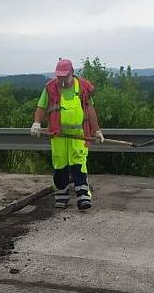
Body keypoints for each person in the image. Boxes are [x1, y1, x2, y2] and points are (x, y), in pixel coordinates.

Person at [30, 59, 103, 209]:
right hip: (59, 135)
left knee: (79, 164)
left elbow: (90, 110)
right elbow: (41, 107)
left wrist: (97, 131)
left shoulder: (82, 87)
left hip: (79, 134)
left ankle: (83, 197)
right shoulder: (50, 88)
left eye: (64, 76)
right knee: (60, 165)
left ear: (72, 73)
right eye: (59, 76)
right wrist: (37, 123)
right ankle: (62, 195)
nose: (61, 79)